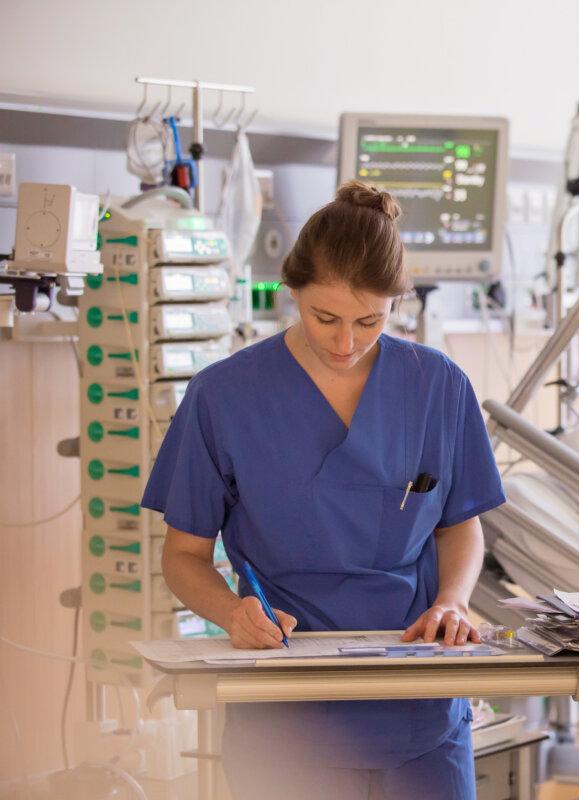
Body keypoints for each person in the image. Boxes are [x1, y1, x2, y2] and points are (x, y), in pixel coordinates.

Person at [143, 181, 506, 800]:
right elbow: (182, 558)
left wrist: (453, 600)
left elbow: (458, 523)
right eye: (324, 317)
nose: (346, 343)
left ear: (396, 302)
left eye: (370, 320)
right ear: (292, 292)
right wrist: (233, 614)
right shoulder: (225, 397)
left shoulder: (437, 386)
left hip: (417, 706)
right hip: (285, 711)